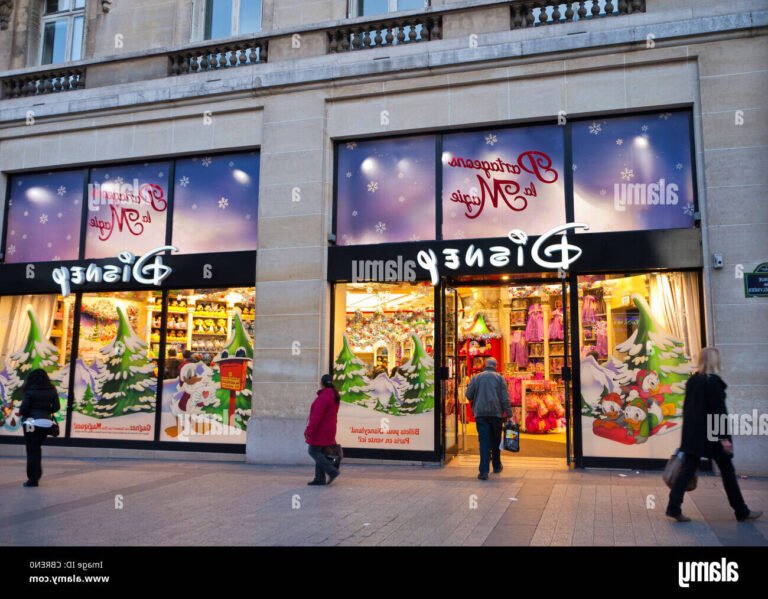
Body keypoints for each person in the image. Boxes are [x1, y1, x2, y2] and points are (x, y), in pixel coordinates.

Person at [666, 347, 762, 523]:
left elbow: (688, 409)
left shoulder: (693, 381)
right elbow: (718, 412)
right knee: (727, 472)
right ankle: (741, 511)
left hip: (693, 434)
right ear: (715, 361)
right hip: (712, 435)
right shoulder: (713, 382)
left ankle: (673, 507)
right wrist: (723, 439)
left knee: (687, 470)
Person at [465, 357, 512, 480]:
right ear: (495, 366)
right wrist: (510, 414)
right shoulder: (499, 378)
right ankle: (496, 465)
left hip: (480, 414)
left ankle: (483, 471)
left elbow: (468, 394)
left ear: (485, 365)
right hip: (496, 414)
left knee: (484, 441)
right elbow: (505, 398)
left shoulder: (476, 378)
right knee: (495, 441)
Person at [19, 369, 60, 488]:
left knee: (32, 450)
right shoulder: (52, 389)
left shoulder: (29, 390)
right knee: (37, 448)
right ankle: (36, 475)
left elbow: (23, 410)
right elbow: (56, 407)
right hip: (45, 423)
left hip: (31, 422)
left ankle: (33, 479)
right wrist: (46, 412)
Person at [304, 374, 341, 486]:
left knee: (313, 451)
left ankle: (332, 471)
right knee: (321, 452)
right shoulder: (334, 396)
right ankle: (319, 478)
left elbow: (316, 417)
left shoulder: (323, 397)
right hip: (330, 428)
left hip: (321, 429)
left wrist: (308, 431)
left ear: (322, 383)